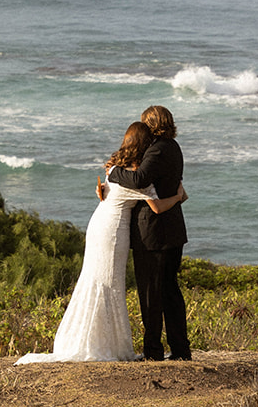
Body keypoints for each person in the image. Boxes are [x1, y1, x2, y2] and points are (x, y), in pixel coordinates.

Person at [16, 121, 187, 364]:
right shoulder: (138, 180)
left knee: (98, 280)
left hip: (99, 225)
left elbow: (108, 189)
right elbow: (158, 207)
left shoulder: (114, 169)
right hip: (114, 231)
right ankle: (104, 344)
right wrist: (178, 196)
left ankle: (97, 341)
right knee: (109, 283)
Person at [107, 105, 191, 362]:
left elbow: (141, 179)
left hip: (153, 233)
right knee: (169, 292)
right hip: (173, 230)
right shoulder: (174, 148)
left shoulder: (157, 149)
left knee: (150, 294)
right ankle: (180, 350)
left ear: (152, 124)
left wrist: (113, 171)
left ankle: (153, 351)